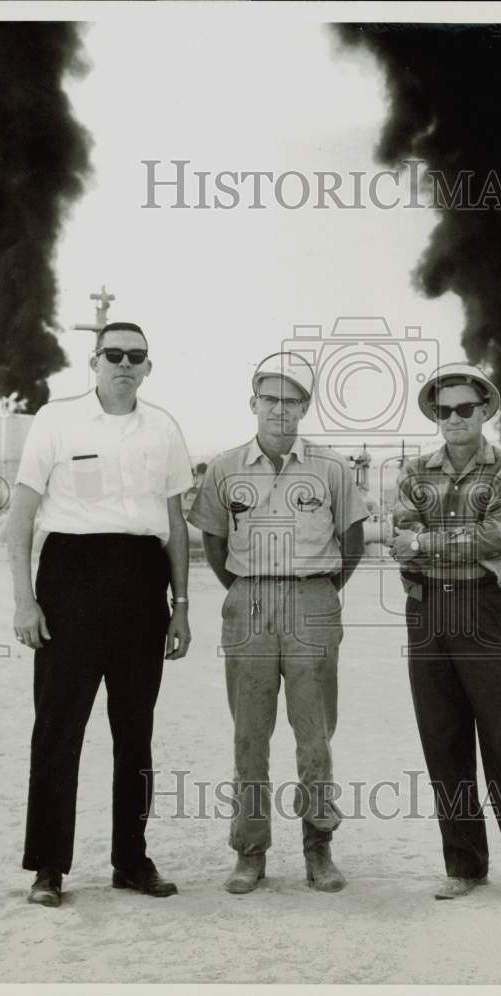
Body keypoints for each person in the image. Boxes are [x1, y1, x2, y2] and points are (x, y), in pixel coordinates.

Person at [6, 320, 193, 907]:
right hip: (70, 579)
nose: (124, 364)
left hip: (142, 581)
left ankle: (131, 861)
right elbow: (21, 518)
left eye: (136, 357)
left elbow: (176, 525)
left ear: (148, 367)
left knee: (135, 732)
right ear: (94, 361)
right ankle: (48, 868)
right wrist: (24, 598)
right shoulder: (55, 420)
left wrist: (180, 606)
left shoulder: (163, 427)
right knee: (59, 729)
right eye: (113, 354)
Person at [188, 351, 368, 894]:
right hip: (250, 605)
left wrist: (317, 589)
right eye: (270, 399)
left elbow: (353, 540)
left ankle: (319, 848)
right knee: (250, 734)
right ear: (253, 403)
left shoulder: (332, 468)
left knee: (315, 735)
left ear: (306, 408)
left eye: (292, 402)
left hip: (313, 601)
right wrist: (249, 589)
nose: (280, 411)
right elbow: (214, 540)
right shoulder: (224, 467)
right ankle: (250, 852)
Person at [389, 362, 501, 904]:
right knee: (443, 740)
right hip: (429, 612)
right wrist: (427, 547)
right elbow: (400, 539)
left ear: (485, 411)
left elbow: (494, 538)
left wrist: (427, 545)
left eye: (466, 408)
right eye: (445, 410)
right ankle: (464, 865)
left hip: (486, 612)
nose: (455, 418)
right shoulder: (415, 471)